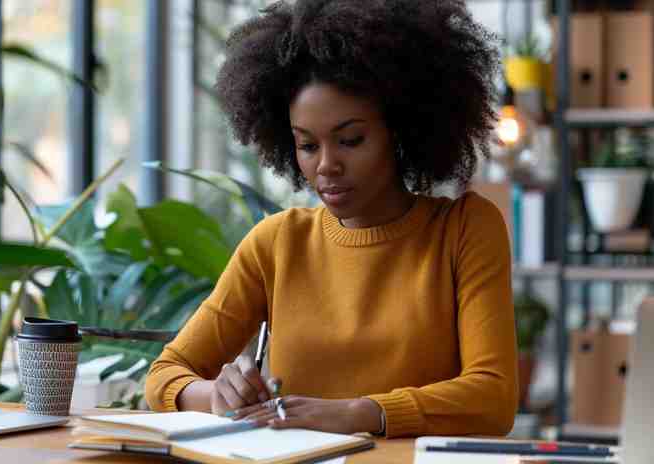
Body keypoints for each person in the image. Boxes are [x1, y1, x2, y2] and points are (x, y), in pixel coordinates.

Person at [145, 0, 517, 438]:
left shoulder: (464, 230)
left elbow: (493, 398)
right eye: (307, 145)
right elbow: (165, 375)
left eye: (350, 140)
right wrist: (215, 396)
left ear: (400, 132)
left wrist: (360, 413)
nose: (326, 165)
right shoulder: (276, 243)